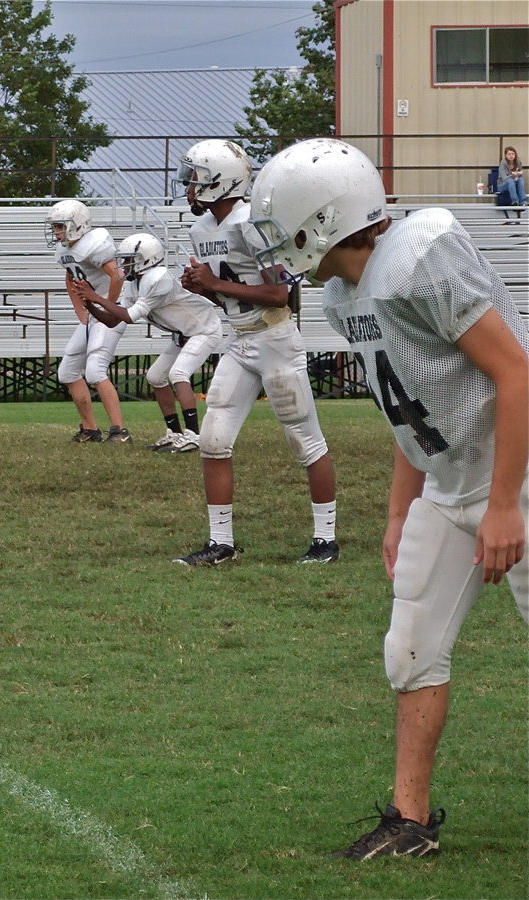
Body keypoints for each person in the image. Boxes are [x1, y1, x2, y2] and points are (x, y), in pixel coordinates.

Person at [251, 137, 529, 859]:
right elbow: (408, 406)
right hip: (448, 479)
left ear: (321, 218)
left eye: (283, 223)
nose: (277, 240)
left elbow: (518, 376)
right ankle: (410, 820)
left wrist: (505, 507)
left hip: (517, 477)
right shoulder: (346, 294)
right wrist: (401, 507)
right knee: (409, 648)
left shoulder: (421, 255)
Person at [170, 139, 339, 566]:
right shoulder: (201, 229)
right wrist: (204, 290)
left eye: (196, 179)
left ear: (220, 183)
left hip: (275, 341)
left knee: (305, 441)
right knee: (212, 440)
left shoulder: (255, 223)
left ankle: (326, 540)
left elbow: (280, 294)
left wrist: (214, 285)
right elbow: (229, 295)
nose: (189, 187)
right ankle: (221, 542)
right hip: (239, 339)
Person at [78, 232, 224, 453]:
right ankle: (174, 434)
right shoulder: (134, 284)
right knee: (155, 377)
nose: (124, 265)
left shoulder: (158, 277)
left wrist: (97, 297)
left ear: (146, 258)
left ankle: (193, 435)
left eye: (129, 259)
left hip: (204, 329)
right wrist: (90, 305)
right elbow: (112, 320)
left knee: (178, 374)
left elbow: (129, 315)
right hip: (184, 333)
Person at [44, 199, 132, 443]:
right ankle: (90, 429)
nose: (56, 231)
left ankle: (119, 431)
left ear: (78, 225)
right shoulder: (66, 250)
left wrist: (109, 309)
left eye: (60, 226)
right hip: (94, 311)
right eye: (55, 226)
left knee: (95, 371)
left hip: (110, 310)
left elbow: (117, 276)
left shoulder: (95, 244)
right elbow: (70, 278)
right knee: (68, 371)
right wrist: (80, 312)